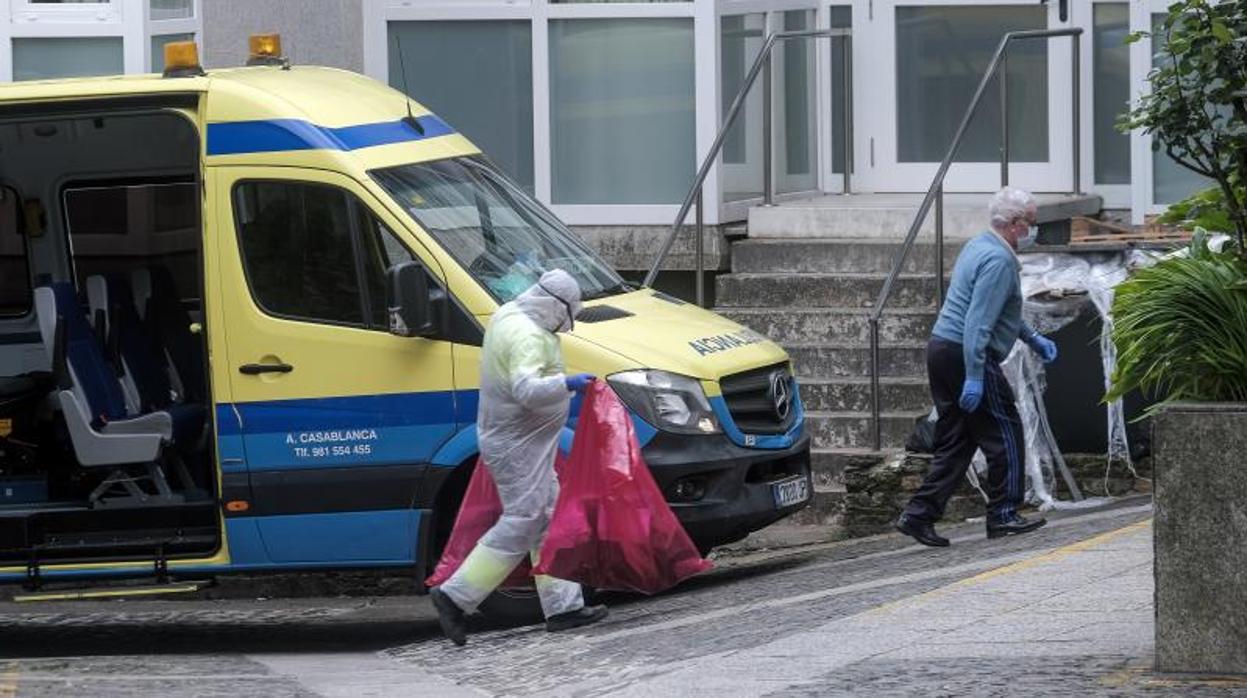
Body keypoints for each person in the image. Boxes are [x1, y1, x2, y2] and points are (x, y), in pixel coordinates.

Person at [431, 269, 607, 646]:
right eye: (567, 315)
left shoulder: (510, 313)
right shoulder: (528, 335)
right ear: (553, 305)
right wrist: (568, 384)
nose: (567, 325)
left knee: (547, 515)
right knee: (524, 520)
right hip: (517, 443)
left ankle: (564, 608)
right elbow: (527, 390)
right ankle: (454, 596)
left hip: (517, 439)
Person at [895, 187, 1059, 548]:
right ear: (1016, 224)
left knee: (957, 440)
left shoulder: (979, 245)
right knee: (1005, 433)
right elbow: (978, 323)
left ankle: (918, 514)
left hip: (942, 349)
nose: (1034, 230)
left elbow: (997, 310)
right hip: (968, 354)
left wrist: (1032, 338)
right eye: (1031, 223)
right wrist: (973, 376)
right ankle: (1004, 514)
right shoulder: (999, 261)